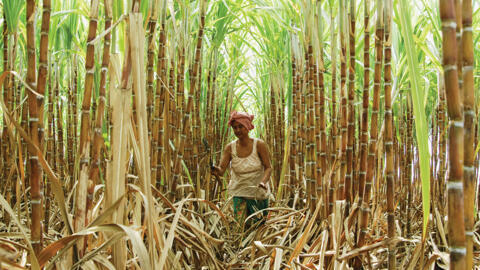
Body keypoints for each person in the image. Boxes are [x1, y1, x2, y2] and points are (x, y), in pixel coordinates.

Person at [211, 111, 272, 230]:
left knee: (258, 227)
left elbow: (268, 167)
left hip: (258, 193)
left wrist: (263, 182)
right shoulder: (230, 147)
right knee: (240, 228)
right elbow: (221, 170)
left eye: (241, 126)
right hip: (239, 192)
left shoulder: (259, 145)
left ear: (248, 127)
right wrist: (214, 169)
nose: (237, 130)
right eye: (235, 128)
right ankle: (241, 247)